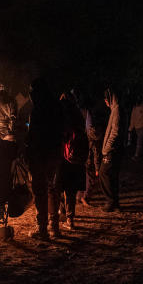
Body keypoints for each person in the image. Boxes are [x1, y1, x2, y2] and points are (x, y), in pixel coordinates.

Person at [25, 78, 65, 238]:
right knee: (52, 189)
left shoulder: (38, 109)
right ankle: (54, 227)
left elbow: (33, 135)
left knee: (40, 190)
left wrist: (28, 151)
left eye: (31, 91)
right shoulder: (57, 106)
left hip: (41, 154)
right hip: (55, 153)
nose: (30, 95)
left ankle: (42, 228)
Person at [55, 92, 88, 229]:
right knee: (71, 189)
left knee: (59, 186)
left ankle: (61, 212)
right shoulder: (78, 113)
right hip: (76, 157)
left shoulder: (60, 113)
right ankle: (70, 219)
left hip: (63, 155)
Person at [100, 88, 124, 212]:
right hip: (115, 149)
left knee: (104, 173)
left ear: (110, 98)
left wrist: (106, 149)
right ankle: (115, 202)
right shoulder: (115, 110)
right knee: (112, 175)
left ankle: (110, 202)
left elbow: (115, 132)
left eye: (105, 99)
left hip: (112, 150)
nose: (105, 102)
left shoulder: (117, 110)